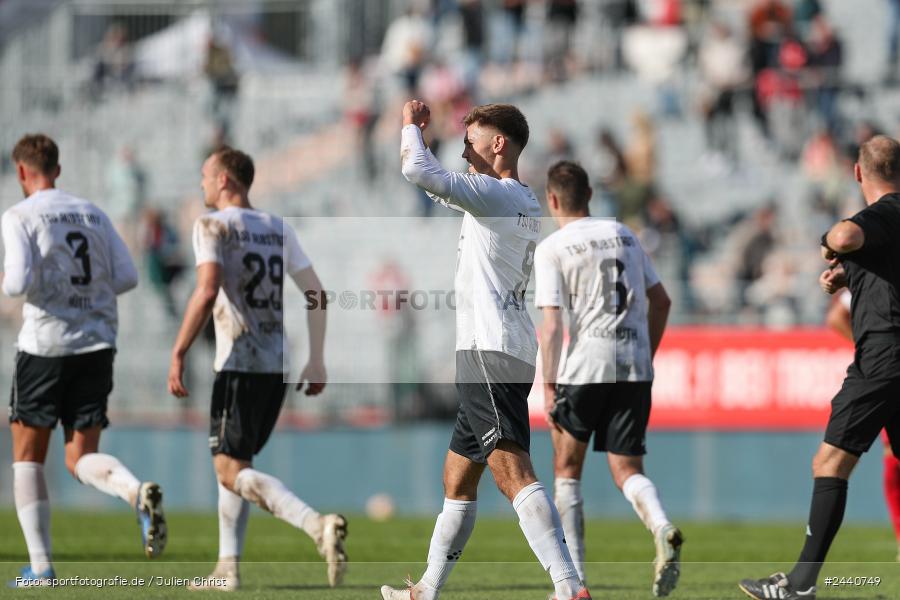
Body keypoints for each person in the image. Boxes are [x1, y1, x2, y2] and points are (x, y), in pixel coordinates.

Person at [383, 101, 589, 600]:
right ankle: (426, 589)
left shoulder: (497, 195)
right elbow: (441, 188)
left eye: (470, 141)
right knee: (457, 478)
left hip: (487, 349)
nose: (463, 152)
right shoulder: (517, 199)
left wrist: (411, 126)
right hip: (505, 348)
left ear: (499, 143)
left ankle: (568, 586)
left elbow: (418, 170)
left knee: (511, 470)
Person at [167, 147, 347, 591]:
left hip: (239, 360)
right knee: (237, 465)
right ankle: (227, 569)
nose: (202, 183)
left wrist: (179, 350)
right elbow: (317, 293)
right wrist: (317, 358)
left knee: (228, 470)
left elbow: (207, 289)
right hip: (276, 363)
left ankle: (316, 525)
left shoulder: (212, 225)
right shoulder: (277, 227)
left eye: (206, 175)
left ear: (225, 180)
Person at [740, 134, 900, 599]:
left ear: (858, 172)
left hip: (884, 353)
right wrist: (851, 273)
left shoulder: (883, 212)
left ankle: (801, 584)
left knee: (830, 461)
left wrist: (828, 243)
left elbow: (847, 236)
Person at [2, 134, 164, 586]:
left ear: (21, 171)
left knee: (28, 458)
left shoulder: (19, 215)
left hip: (45, 346)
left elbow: (15, 284)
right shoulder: (93, 212)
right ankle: (134, 490)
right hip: (96, 345)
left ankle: (41, 569)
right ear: (57, 169)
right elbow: (127, 276)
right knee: (79, 457)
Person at [534, 161, 682, 597]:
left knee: (567, 470)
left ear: (552, 199)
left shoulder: (554, 247)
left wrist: (548, 384)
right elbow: (662, 301)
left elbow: (552, 327)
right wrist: (646, 353)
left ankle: (574, 585)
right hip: (634, 363)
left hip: (585, 366)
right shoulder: (625, 234)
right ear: (590, 195)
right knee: (627, 468)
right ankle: (662, 525)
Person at [826, 290, 900, 561]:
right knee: (892, 456)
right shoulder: (882, 274)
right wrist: (873, 349)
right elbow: (837, 316)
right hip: (890, 367)